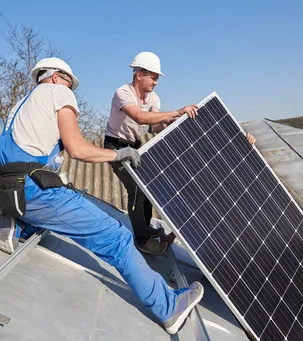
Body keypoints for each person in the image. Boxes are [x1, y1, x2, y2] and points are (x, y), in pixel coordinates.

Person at [0, 57, 203, 335]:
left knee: (55, 197)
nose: (71, 89)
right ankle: (168, 307)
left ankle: (17, 221)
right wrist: (116, 154)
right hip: (36, 192)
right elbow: (77, 149)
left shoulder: (22, 103)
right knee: (117, 237)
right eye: (69, 82)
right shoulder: (59, 93)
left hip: (8, 191)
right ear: (56, 77)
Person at [104, 52, 255, 256]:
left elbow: (155, 126)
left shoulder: (153, 98)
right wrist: (176, 112)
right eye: (154, 77)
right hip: (116, 146)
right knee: (136, 189)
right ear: (139, 74)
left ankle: (146, 227)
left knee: (149, 185)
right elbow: (140, 117)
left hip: (135, 144)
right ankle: (143, 240)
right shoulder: (123, 93)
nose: (156, 82)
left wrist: (180, 123)